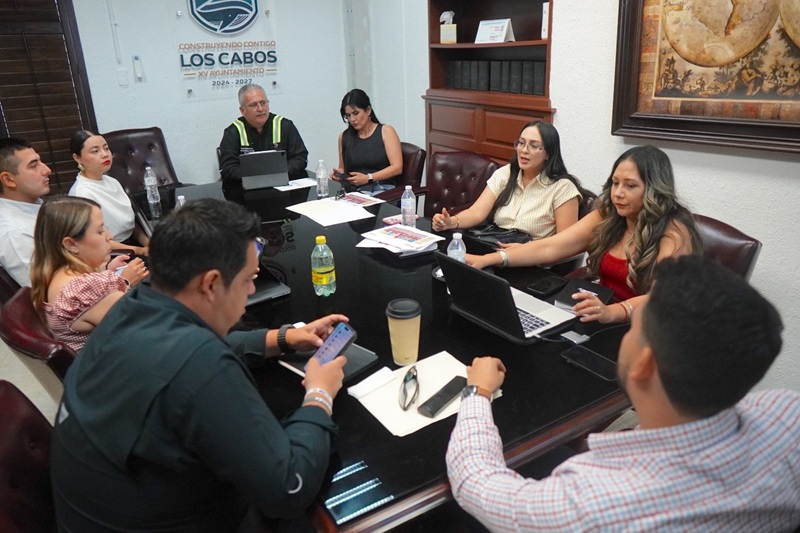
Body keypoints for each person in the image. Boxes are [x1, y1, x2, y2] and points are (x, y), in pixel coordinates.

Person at [50, 198, 349, 531]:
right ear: (211, 284)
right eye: (248, 279)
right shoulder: (201, 365)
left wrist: (282, 338)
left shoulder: (132, 306)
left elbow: (178, 355)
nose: (252, 290)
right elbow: (287, 488)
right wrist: (320, 394)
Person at [447, 255, 800, 531]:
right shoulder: (787, 415)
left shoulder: (591, 504)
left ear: (644, 363)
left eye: (635, 327)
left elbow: (476, 483)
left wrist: (478, 392)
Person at [466, 145, 701, 323]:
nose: (618, 193)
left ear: (654, 190)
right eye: (615, 183)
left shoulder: (674, 230)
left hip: (645, 327)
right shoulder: (610, 214)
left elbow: (664, 297)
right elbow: (552, 247)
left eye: (630, 186)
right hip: (599, 312)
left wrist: (614, 312)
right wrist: (489, 259)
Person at [30, 196, 147, 352]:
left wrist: (108, 274)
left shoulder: (56, 274)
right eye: (100, 231)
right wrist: (124, 282)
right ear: (71, 244)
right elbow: (147, 327)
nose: (109, 236)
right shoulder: (85, 288)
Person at [432, 120, 582, 240]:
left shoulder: (562, 188)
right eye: (521, 143)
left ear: (548, 153)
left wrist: (524, 251)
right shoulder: (505, 174)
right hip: (495, 251)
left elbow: (565, 244)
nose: (524, 150)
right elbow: (476, 212)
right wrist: (451, 222)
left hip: (533, 262)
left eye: (533, 145)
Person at [68, 129, 148, 256]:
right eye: (95, 151)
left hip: (132, 245)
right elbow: (97, 240)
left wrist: (148, 243)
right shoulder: (82, 194)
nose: (105, 154)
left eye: (106, 148)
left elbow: (128, 226)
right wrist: (140, 251)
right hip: (110, 254)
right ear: (77, 158)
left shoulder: (112, 181)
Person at [218, 83, 309, 190]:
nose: (260, 109)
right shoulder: (232, 132)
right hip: (246, 190)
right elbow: (227, 168)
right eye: (253, 105)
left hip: (283, 186)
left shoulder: (285, 126)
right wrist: (257, 175)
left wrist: (279, 173)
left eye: (263, 103)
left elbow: (300, 158)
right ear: (242, 110)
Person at [0, 137, 51, 286]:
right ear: (9, 180)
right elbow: (47, 291)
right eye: (34, 166)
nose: (47, 170)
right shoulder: (15, 233)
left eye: (40, 162)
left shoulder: (36, 204)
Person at [332, 88, 402, 195]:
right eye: (348, 116)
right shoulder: (344, 136)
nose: (352, 119)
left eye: (356, 113)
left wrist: (368, 178)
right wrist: (339, 174)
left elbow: (397, 167)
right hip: (354, 190)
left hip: (381, 188)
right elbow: (342, 168)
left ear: (368, 111)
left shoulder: (386, 131)